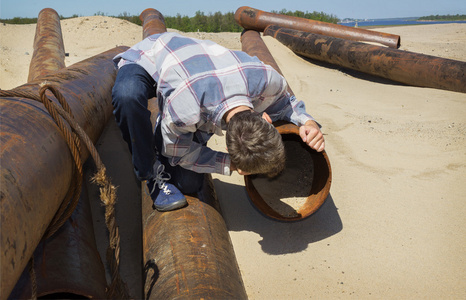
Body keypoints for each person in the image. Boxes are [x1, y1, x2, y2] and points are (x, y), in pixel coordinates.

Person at [111, 32, 325, 212]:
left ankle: (169, 130)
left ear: (267, 119)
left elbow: (289, 104)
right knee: (127, 96)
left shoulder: (269, 81)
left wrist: (309, 123)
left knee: (189, 183)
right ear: (266, 117)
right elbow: (175, 150)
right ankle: (148, 171)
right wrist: (228, 163)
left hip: (197, 64)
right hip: (151, 55)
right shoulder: (187, 107)